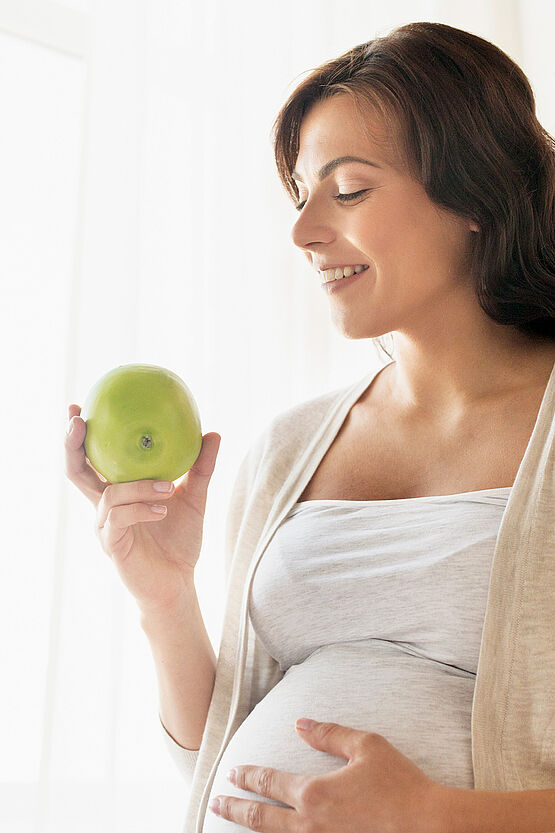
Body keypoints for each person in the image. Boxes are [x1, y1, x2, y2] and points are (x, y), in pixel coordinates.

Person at [65, 21, 555, 833]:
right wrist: (163, 595)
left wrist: (439, 815)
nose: (302, 232)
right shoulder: (291, 446)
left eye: (349, 190)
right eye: (299, 196)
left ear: (474, 193)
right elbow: (210, 757)